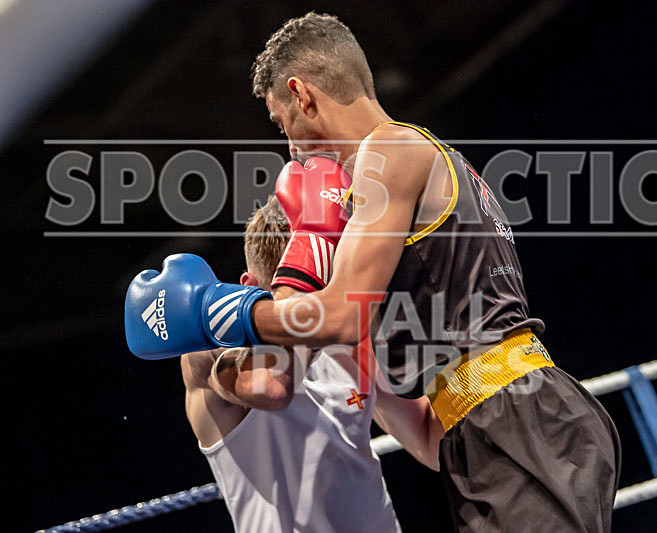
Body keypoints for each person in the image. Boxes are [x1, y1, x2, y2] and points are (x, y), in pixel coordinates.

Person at [125, 11, 621, 532]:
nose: (290, 147)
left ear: (302, 95)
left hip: (516, 418)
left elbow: (338, 314)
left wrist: (217, 311)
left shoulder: (389, 152)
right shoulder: (432, 162)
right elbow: (423, 432)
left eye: (280, 122)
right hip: (489, 423)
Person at [180, 195, 402, 533]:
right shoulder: (211, 355)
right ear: (250, 290)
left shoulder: (354, 341)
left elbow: (427, 432)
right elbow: (271, 389)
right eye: (294, 287)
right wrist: (309, 314)